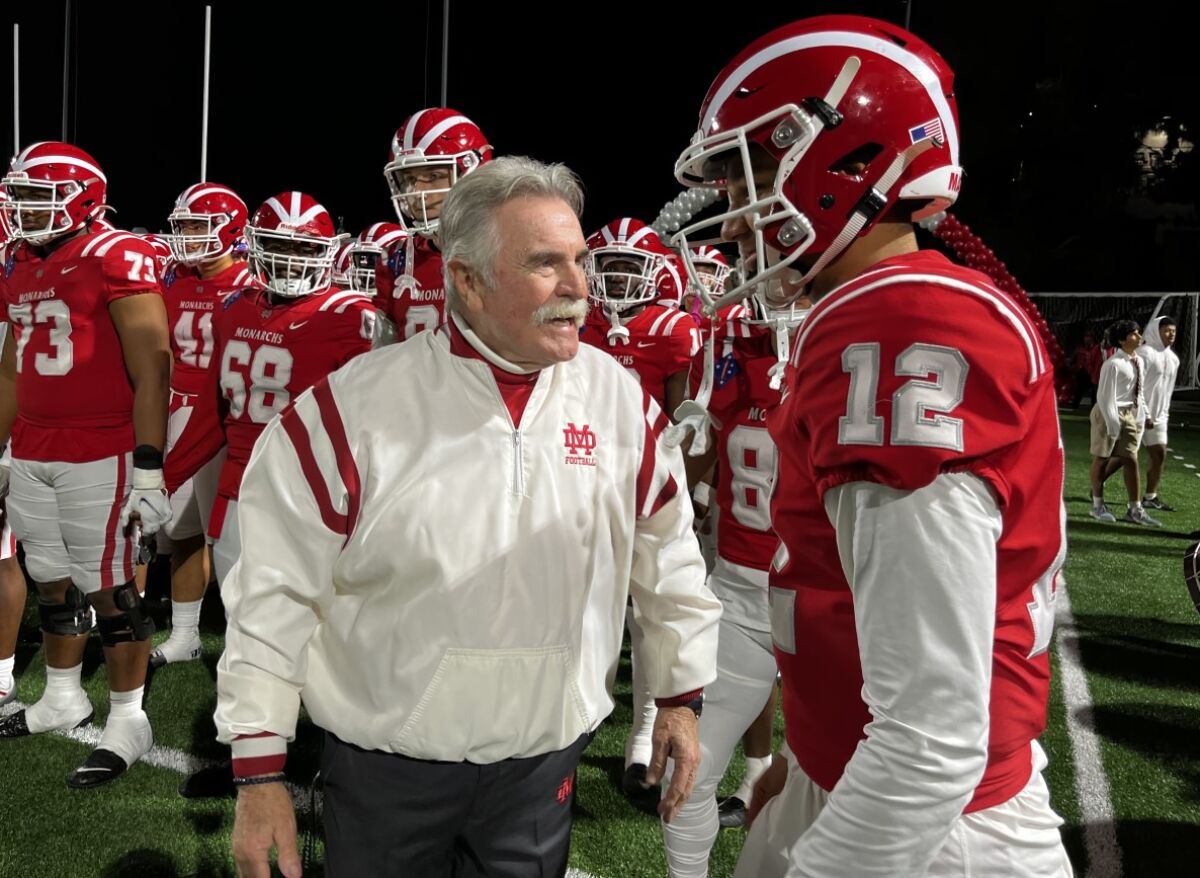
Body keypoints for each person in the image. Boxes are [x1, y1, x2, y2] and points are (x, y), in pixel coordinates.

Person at [219, 156, 721, 878]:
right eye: (546, 264)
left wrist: (678, 696)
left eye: (579, 261)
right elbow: (272, 596)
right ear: (465, 280)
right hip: (387, 769)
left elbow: (668, 554)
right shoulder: (351, 412)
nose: (580, 288)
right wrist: (259, 771)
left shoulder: (617, 399)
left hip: (539, 768)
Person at [672, 15, 1072, 876]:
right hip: (864, 772)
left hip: (934, 824)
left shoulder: (897, 324)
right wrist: (812, 756)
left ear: (842, 158)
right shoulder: (886, 306)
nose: (736, 224)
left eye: (750, 179)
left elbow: (932, 731)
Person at [0, 142, 172, 787]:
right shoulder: (19, 260)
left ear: (83, 196)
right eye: (19, 196)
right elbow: (15, 364)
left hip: (102, 447)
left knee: (110, 589)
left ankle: (129, 716)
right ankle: (62, 696)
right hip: (36, 445)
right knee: (48, 577)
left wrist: (150, 465)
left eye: (37, 197)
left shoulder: (115, 253)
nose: (23, 210)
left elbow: (152, 365)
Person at [150, 182, 255, 668]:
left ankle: (248, 642)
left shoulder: (248, 284)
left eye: (199, 225)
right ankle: (187, 633)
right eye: (184, 225)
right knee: (180, 532)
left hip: (222, 414)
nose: (188, 236)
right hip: (172, 405)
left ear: (230, 230)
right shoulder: (173, 277)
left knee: (229, 537)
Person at [380, 107, 493, 339]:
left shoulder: (508, 250)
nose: (417, 191)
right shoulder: (395, 260)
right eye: (409, 179)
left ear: (471, 174)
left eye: (433, 176)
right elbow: (382, 354)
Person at [1090, 320, 1158, 526]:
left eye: (1138, 333)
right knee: (1102, 458)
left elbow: (1138, 391)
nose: (1138, 336)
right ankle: (1097, 505)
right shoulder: (1112, 364)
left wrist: (1145, 414)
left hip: (1130, 413)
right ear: (1122, 340)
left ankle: (1135, 509)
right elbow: (1104, 397)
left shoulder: (1138, 361)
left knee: (1131, 459)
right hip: (1108, 413)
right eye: (1133, 334)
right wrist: (1112, 424)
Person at [1139, 315, 1179, 511]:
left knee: (1159, 454)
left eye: (1173, 331)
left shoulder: (1174, 359)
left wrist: (1163, 414)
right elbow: (1136, 385)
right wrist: (1144, 411)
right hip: (1138, 412)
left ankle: (1150, 496)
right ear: (1157, 331)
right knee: (1123, 458)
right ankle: (1098, 483)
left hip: (1160, 417)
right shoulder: (1144, 353)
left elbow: (1167, 391)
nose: (1171, 334)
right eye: (1166, 330)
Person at [1069, 329, 1102, 407]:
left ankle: (1094, 406)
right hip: (1082, 371)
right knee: (1079, 388)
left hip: (1093, 372)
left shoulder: (1096, 349)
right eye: (1086, 336)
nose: (1087, 339)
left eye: (1089, 336)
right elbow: (1073, 359)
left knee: (1095, 390)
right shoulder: (1080, 349)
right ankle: (1075, 404)